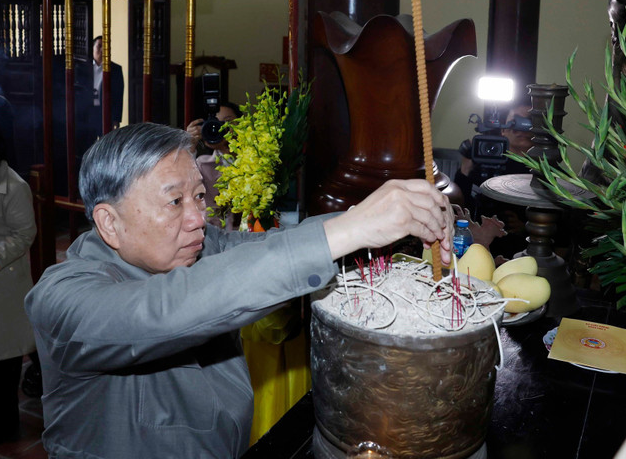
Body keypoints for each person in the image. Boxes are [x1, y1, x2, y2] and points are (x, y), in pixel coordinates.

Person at [25, 122, 453, 458]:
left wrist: (383, 219)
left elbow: (275, 250)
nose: (197, 218)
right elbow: (164, 308)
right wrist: (353, 227)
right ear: (110, 224)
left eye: (199, 196)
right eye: (175, 202)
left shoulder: (202, 246)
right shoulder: (64, 299)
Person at [0, 116, 37, 446]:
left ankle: (4, 429)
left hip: (2, 283)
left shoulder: (15, 186)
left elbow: (25, 234)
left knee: (1, 367)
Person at [454, 99, 533, 257]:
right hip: (475, 246)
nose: (520, 129)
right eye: (514, 122)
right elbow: (458, 206)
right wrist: (465, 169)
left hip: (521, 250)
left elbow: (559, 224)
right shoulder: (482, 161)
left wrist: (526, 227)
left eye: (527, 122)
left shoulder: (543, 170)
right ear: (503, 129)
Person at [185, 102, 241, 229]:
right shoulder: (203, 165)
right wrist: (190, 146)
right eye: (215, 124)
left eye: (228, 122)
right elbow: (183, 184)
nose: (220, 128)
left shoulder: (258, 158)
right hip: (218, 236)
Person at [76, 36, 125, 154]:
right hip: (87, 112)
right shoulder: (82, 67)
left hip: (104, 112)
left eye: (106, 47)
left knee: (106, 145)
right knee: (87, 145)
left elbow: (119, 95)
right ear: (92, 48)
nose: (102, 50)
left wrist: (116, 119)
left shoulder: (115, 69)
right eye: (99, 46)